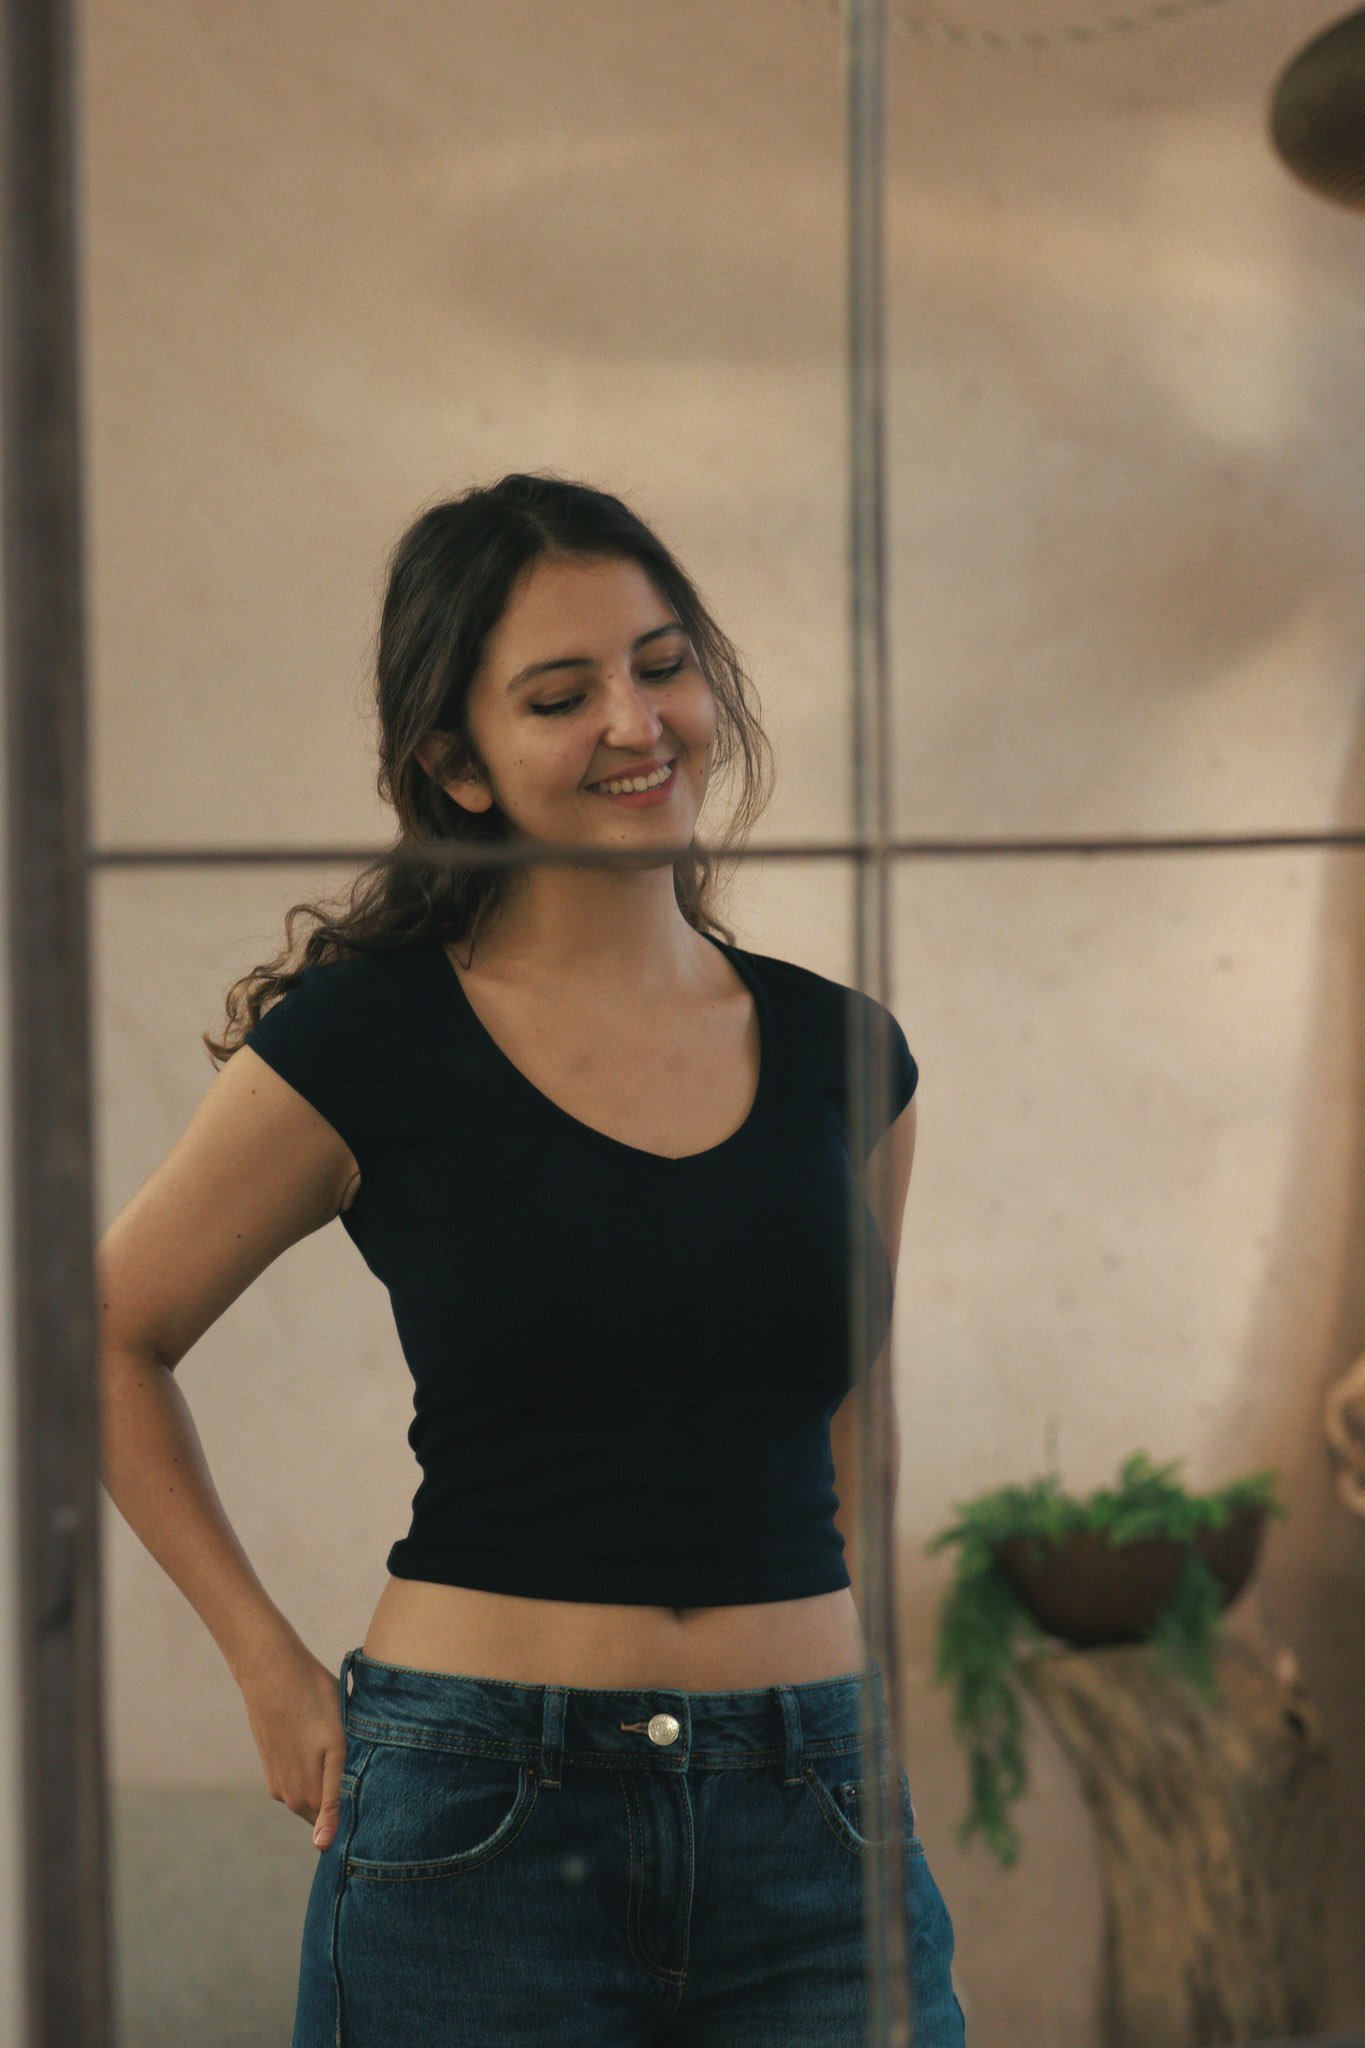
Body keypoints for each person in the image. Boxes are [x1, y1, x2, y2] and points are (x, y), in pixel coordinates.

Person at [97, 473, 968, 2046]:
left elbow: (846, 1419)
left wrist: (871, 1714)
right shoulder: (365, 1043)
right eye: (560, 696)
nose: (636, 724)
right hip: (479, 1821)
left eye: (660, 664)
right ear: (459, 765)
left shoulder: (853, 1056)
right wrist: (266, 1669)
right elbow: (90, 1335)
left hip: (817, 1819)